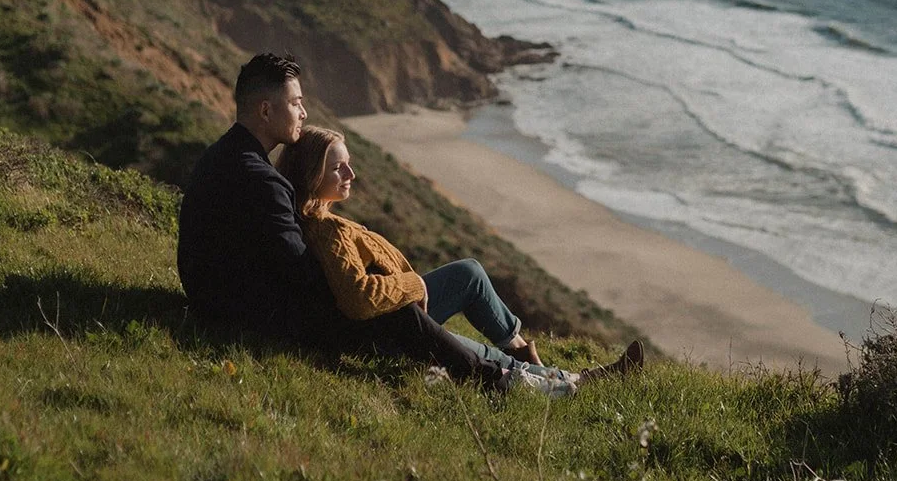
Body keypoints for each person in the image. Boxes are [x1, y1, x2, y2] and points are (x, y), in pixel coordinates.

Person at [177, 53, 547, 394]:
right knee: (406, 312)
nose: (303, 113)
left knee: (417, 317)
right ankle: (513, 379)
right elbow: (305, 278)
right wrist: (380, 284)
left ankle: (527, 375)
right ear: (265, 109)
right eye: (295, 103)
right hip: (260, 320)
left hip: (220, 305)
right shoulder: (262, 181)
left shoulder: (219, 157)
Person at [276, 124, 644, 389]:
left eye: (349, 163)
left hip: (391, 319)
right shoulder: (328, 231)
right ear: (312, 174)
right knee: (482, 346)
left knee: (470, 280)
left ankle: (544, 364)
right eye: (338, 167)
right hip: (388, 329)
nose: (351, 173)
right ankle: (580, 382)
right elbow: (358, 297)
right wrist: (414, 284)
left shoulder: (318, 220)